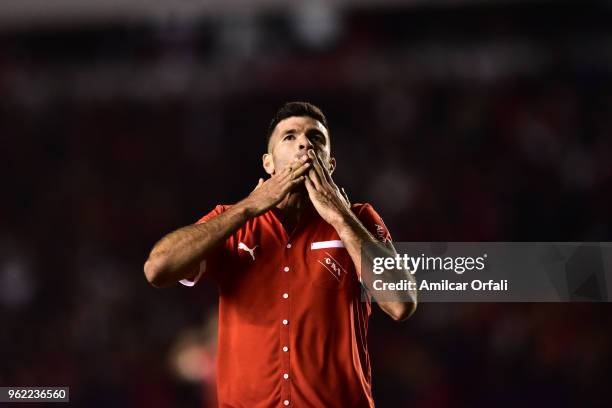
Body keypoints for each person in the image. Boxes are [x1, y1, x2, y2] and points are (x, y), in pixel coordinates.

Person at [144, 102, 417, 407]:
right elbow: (157, 268)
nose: (304, 143)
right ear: (268, 164)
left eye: (316, 138)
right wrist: (248, 206)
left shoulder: (360, 219)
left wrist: (340, 217)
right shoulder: (233, 222)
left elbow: (400, 303)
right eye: (289, 137)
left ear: (330, 164)